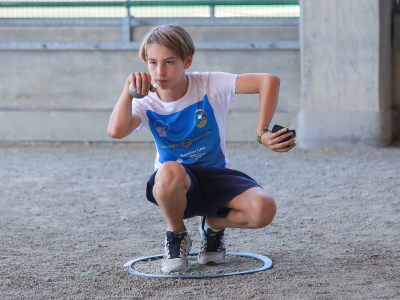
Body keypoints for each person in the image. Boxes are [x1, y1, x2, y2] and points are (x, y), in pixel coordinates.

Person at [108, 24, 295, 273]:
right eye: (152, 62)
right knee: (170, 169)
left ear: (187, 61)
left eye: (169, 62)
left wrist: (262, 132)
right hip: (175, 182)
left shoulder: (208, 83)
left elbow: (268, 81)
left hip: (216, 176)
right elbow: (116, 131)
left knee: (264, 209)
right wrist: (127, 93)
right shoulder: (147, 101)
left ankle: (213, 225)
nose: (159, 71)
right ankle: (177, 235)